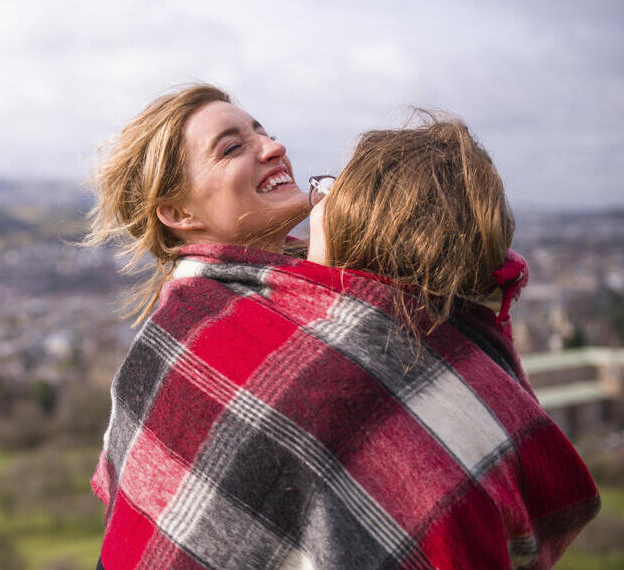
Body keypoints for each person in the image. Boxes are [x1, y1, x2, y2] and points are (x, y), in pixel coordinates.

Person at [88, 84, 599, 569]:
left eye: (261, 130)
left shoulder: (324, 285)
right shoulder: (184, 340)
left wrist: (333, 277)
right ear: (177, 212)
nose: (273, 146)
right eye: (231, 148)